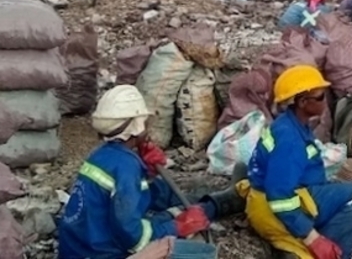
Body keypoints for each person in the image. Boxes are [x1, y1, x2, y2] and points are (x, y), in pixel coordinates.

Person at [58, 85, 242, 259]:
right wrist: (177, 227)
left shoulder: (101, 156)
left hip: (77, 248)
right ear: (136, 126)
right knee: (178, 223)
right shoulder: (126, 166)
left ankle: (221, 199)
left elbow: (141, 197)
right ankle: (228, 201)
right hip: (99, 253)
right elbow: (134, 238)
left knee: (172, 204)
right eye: (145, 122)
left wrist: (148, 172)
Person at [245, 65, 352, 259]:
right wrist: (312, 238)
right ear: (303, 102)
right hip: (281, 205)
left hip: (294, 192)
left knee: (351, 201)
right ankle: (329, 252)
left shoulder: (290, 124)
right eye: (321, 97)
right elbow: (280, 196)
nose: (325, 101)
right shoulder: (290, 140)